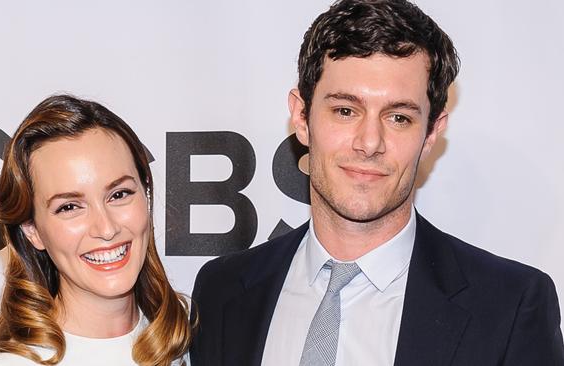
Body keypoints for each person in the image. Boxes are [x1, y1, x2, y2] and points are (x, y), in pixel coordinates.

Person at [190, 1, 564, 365]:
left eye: (399, 117)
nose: (370, 143)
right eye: (345, 110)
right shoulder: (222, 291)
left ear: (432, 132)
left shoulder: (509, 308)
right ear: (301, 116)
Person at [0, 95, 192, 366]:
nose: (106, 229)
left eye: (119, 194)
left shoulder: (191, 335)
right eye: (70, 207)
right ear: (32, 230)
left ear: (147, 196)